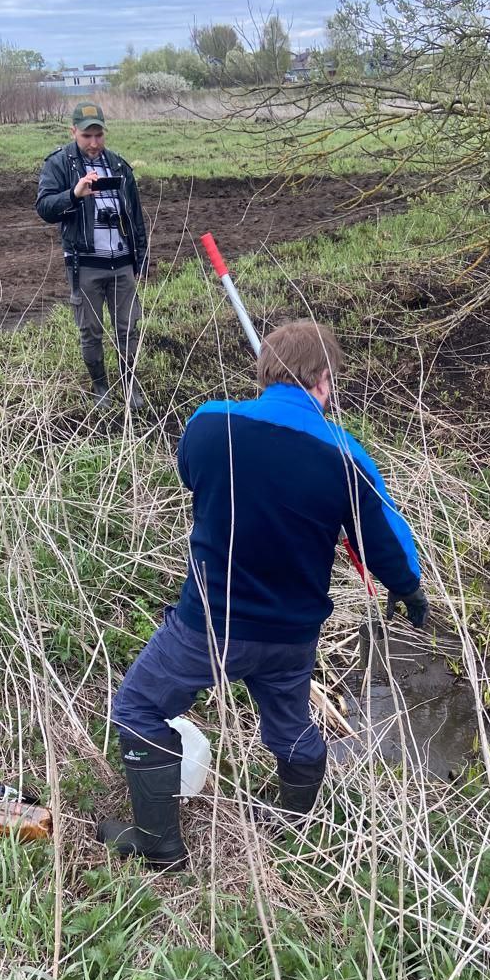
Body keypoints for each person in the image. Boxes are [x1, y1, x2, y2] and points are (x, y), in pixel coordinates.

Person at [97, 320, 429, 872]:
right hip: (289, 635)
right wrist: (408, 586)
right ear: (324, 380)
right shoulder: (344, 456)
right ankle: (293, 823)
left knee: (137, 709)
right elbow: (387, 537)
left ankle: (159, 842)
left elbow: (190, 473)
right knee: (290, 723)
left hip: (206, 626)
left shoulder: (208, 424)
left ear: (265, 371)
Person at [35, 102, 148, 409]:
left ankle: (130, 386)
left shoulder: (119, 166)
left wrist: (141, 260)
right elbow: (44, 207)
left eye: (99, 135)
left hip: (122, 263)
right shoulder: (59, 164)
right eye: (87, 136)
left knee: (128, 328)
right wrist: (74, 194)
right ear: (74, 132)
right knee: (91, 331)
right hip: (85, 264)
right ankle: (100, 387)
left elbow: (136, 216)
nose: (94, 143)